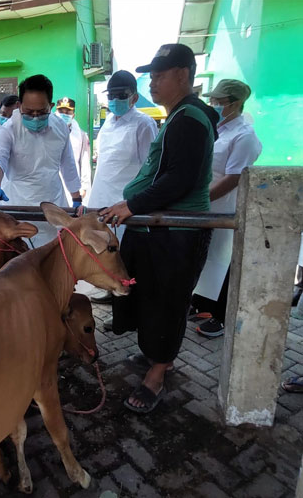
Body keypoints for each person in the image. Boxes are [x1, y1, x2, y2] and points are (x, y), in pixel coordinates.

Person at [99, 44, 218, 413]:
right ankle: (155, 355)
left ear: (182, 74)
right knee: (144, 295)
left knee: (167, 302)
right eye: (150, 76)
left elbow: (179, 179)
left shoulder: (189, 119)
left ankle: (158, 374)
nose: (152, 83)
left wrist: (131, 205)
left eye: (159, 75)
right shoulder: (179, 116)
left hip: (175, 234)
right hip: (153, 230)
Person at [190, 79, 262, 338]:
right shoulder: (218, 128)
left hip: (223, 204)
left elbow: (233, 178)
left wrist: (201, 200)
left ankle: (220, 316)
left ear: (236, 103)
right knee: (203, 255)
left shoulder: (245, 136)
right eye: (213, 100)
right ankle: (201, 304)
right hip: (205, 202)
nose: (214, 105)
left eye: (219, 102)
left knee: (221, 257)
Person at [0, 74, 82, 245]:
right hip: (19, 206)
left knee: (53, 258)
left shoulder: (61, 128)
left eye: (41, 112)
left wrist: (77, 198)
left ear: (50, 106)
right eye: (28, 112)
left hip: (53, 204)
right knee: (20, 259)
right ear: (19, 106)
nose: (35, 117)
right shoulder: (9, 129)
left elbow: (68, 165)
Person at [87, 71, 158, 306]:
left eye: (121, 95)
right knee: (105, 249)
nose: (115, 100)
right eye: (112, 96)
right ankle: (110, 291)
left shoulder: (143, 124)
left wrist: (136, 202)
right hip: (102, 195)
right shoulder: (108, 123)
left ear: (134, 97)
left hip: (125, 201)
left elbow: (150, 168)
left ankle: (127, 306)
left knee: (126, 255)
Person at [55, 97, 91, 204]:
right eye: (61, 111)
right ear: (55, 112)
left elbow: (84, 161)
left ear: (73, 115)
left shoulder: (81, 135)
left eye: (68, 112)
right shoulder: (47, 131)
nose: (64, 114)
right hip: (52, 182)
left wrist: (84, 186)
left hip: (72, 184)